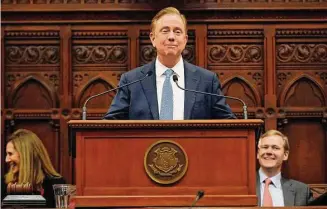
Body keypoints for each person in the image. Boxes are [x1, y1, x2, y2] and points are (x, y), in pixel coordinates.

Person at [103, 7, 235, 120]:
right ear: (153, 38)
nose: (171, 37)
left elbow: (229, 124)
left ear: (185, 40)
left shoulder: (207, 81)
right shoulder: (132, 81)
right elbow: (110, 124)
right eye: (165, 31)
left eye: (177, 31)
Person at [1, 129, 65, 208]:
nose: (6, 160)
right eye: (7, 154)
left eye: (10, 154)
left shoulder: (56, 184)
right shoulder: (4, 184)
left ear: (26, 155)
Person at [256, 130, 313, 206]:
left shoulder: (301, 191)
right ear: (258, 153)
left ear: (285, 155)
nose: (269, 151)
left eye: (275, 148)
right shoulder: (242, 188)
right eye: (265, 147)